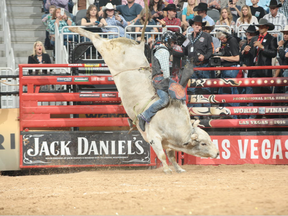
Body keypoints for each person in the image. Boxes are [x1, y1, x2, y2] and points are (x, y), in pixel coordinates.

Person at [137, 31, 186, 131]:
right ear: (167, 41)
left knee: (168, 99)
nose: (173, 45)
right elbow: (166, 70)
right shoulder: (164, 51)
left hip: (158, 79)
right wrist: (170, 82)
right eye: (172, 42)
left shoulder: (158, 49)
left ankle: (147, 117)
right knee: (174, 97)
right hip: (161, 80)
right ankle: (145, 116)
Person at [243, 18, 278, 117]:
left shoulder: (272, 39)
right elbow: (250, 55)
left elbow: (273, 53)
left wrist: (262, 47)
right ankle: (258, 115)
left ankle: (265, 115)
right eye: (259, 27)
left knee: (265, 94)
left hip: (265, 70)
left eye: (262, 27)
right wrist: (246, 51)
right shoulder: (254, 39)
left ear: (267, 27)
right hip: (255, 69)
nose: (260, 28)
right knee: (256, 95)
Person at [182, 15, 213, 97]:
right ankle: (194, 108)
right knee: (192, 90)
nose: (197, 26)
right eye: (196, 25)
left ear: (201, 27)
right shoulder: (189, 38)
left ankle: (206, 108)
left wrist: (205, 56)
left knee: (205, 89)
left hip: (203, 66)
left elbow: (211, 50)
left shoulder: (207, 36)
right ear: (192, 26)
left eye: (199, 25)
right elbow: (183, 50)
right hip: (191, 66)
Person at [215, 27, 240, 112]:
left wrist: (221, 57)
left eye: (222, 39)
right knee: (224, 90)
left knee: (231, 90)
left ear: (226, 36)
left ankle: (233, 112)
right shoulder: (224, 42)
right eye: (220, 39)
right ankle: (225, 112)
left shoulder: (232, 41)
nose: (222, 41)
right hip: (226, 68)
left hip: (232, 68)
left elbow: (237, 58)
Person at [278, 25, 288, 94]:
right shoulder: (286, 43)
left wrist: (280, 47)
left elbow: (284, 56)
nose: (285, 35)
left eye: (287, 34)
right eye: (284, 34)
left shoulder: (284, 44)